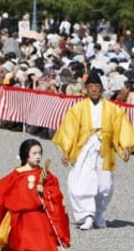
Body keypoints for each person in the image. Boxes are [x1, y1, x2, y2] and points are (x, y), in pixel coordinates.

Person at [52, 70, 134, 229]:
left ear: (102, 88)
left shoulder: (112, 109)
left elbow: (121, 127)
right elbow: (69, 130)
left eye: (97, 86)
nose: (94, 89)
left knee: (105, 184)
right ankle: (86, 214)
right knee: (81, 180)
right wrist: (66, 151)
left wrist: (125, 146)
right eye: (91, 86)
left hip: (104, 147)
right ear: (86, 89)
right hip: (84, 148)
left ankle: (99, 213)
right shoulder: (78, 109)